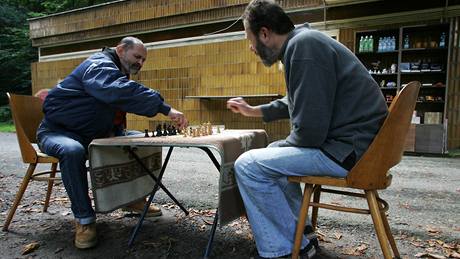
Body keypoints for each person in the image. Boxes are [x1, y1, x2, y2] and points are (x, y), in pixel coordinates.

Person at [226, 1, 388, 258]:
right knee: (272, 153)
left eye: (250, 38)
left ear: (265, 33)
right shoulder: (305, 41)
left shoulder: (304, 48)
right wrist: (253, 110)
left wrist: (286, 143)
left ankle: (287, 249)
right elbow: (297, 101)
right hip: (359, 147)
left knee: (248, 165)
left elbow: (309, 134)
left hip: (350, 152)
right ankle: (302, 234)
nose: (251, 47)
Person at [37, 36, 188, 249]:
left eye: (143, 60)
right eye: (137, 56)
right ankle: (84, 220)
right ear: (119, 50)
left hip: (93, 134)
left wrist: (114, 131)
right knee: (72, 151)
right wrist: (165, 108)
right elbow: (117, 89)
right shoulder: (98, 65)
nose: (140, 63)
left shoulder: (116, 71)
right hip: (58, 132)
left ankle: (132, 199)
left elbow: (115, 103)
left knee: (143, 140)